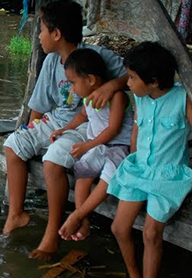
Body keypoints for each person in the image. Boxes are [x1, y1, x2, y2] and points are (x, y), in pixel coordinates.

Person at [2, 0, 128, 261]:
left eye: (41, 30)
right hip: (57, 121)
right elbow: (38, 105)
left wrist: (111, 85)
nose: (39, 35)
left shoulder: (96, 57)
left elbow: (133, 73)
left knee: (53, 161)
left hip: (84, 126)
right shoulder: (50, 62)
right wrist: (30, 133)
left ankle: (52, 235)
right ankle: (16, 214)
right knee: (13, 145)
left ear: (56, 34)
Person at [106, 42, 192, 278]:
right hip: (139, 169)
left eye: (132, 78)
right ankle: (133, 274)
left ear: (154, 81)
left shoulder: (183, 98)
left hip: (167, 176)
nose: (127, 83)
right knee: (119, 228)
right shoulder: (141, 97)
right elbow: (137, 130)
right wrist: (133, 156)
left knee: (151, 233)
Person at [54, 48, 133, 242]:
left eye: (73, 82)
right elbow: (82, 116)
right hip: (99, 146)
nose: (71, 88)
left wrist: (88, 145)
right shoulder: (87, 98)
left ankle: (78, 215)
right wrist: (64, 129)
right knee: (82, 173)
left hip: (119, 146)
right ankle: (84, 221)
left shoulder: (117, 97)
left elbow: (113, 129)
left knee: (108, 176)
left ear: (90, 80)